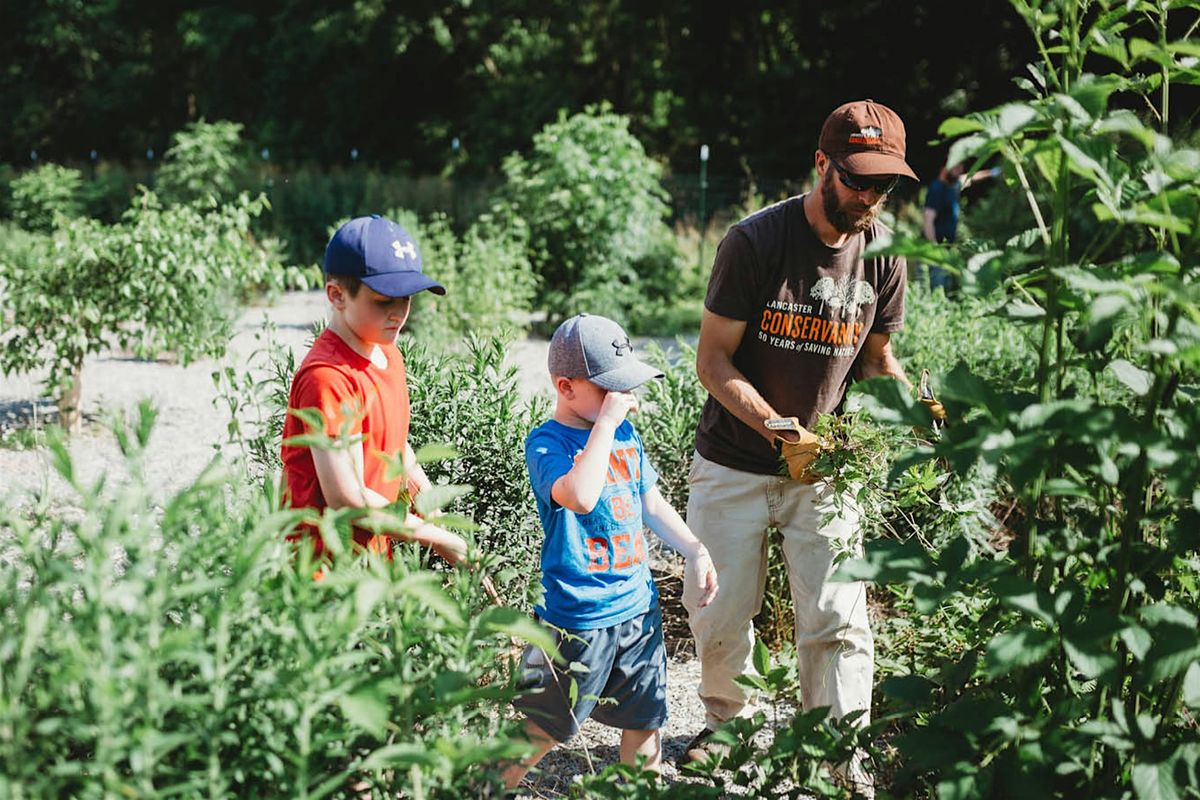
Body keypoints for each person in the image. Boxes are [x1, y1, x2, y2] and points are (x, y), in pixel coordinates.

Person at [679, 99, 924, 795]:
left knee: (839, 617)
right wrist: (783, 433)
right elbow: (713, 361)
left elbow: (876, 358)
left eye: (885, 186)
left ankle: (839, 757)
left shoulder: (885, 256)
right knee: (722, 610)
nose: (870, 199)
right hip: (735, 459)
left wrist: (920, 411)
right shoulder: (754, 243)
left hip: (826, 469)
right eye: (857, 181)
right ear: (822, 165)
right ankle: (731, 731)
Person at [503, 313, 720, 789]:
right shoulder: (547, 442)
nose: (623, 400)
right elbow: (578, 496)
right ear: (565, 386)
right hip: (576, 619)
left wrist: (694, 548)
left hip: (636, 608)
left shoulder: (623, 434)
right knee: (542, 728)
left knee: (645, 723)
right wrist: (605, 424)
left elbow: (650, 502)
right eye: (609, 390)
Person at [280, 214, 468, 571]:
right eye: (384, 301)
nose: (399, 313)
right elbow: (346, 500)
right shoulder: (328, 378)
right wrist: (437, 537)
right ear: (337, 295)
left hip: (371, 561)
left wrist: (435, 516)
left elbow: (396, 447)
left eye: (407, 299)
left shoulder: (385, 352)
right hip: (323, 570)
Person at [922, 161, 1002, 290]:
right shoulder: (937, 188)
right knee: (936, 289)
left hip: (946, 249)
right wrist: (934, 246)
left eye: (960, 167)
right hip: (933, 250)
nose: (959, 170)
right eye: (955, 167)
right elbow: (928, 219)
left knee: (945, 288)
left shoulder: (954, 185)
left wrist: (992, 172)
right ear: (945, 167)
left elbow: (972, 177)